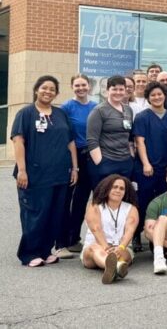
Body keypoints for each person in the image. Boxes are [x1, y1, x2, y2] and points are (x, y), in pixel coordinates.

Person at [12, 75, 78, 267]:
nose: (48, 92)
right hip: (34, 175)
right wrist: (22, 171)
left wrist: (75, 168)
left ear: (56, 94)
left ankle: (45, 250)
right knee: (35, 213)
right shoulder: (25, 114)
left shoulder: (60, 114)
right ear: (36, 90)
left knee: (54, 214)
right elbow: (18, 141)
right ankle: (29, 253)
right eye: (44, 88)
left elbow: (70, 142)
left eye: (52, 89)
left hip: (59, 175)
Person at [133, 81, 167, 252]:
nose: (157, 97)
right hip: (148, 169)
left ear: (164, 95)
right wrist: (146, 163)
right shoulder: (142, 117)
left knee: (163, 204)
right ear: (148, 98)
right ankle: (137, 234)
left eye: (159, 94)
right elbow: (139, 142)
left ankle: (157, 238)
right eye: (153, 95)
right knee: (143, 202)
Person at [57, 74, 97, 257]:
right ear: (72, 87)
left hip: (93, 156)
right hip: (75, 156)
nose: (81, 88)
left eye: (83, 85)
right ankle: (64, 240)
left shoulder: (95, 107)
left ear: (89, 86)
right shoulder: (66, 108)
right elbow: (64, 135)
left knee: (84, 199)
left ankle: (76, 239)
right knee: (70, 199)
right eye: (77, 85)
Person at [81, 174, 140, 284]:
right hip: (97, 247)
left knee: (126, 254)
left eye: (122, 188)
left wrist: (121, 247)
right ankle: (116, 266)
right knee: (94, 249)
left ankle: (113, 267)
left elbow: (129, 232)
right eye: (114, 187)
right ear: (107, 188)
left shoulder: (131, 209)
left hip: (121, 248)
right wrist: (106, 248)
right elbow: (96, 229)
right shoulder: (94, 206)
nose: (118, 190)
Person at [87, 75, 134, 188]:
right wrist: (100, 163)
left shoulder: (128, 110)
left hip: (125, 162)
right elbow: (92, 140)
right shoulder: (99, 111)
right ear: (108, 90)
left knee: (122, 198)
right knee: (103, 199)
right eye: (114, 89)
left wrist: (131, 156)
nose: (118, 92)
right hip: (107, 161)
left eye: (121, 89)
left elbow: (129, 136)